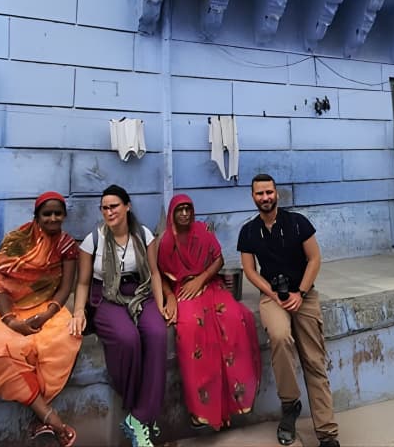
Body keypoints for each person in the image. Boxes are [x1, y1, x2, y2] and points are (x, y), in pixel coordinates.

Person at [0, 191, 80, 447]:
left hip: (46, 307)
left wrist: (47, 314)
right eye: (47, 214)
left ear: (64, 215)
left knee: (63, 339)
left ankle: (41, 415)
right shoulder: (17, 240)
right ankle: (49, 417)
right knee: (0, 349)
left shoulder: (66, 246)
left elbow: (65, 287)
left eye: (58, 213)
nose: (53, 218)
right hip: (8, 309)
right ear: (37, 216)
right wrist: (11, 322)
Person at [237, 174, 340, 447]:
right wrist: (273, 294)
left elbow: (314, 259)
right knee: (280, 336)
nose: (265, 198)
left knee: (314, 360)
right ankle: (290, 405)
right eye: (260, 193)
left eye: (269, 192)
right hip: (273, 297)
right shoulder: (248, 231)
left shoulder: (297, 223)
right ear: (253, 197)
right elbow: (249, 270)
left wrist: (300, 293)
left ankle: (327, 432)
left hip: (303, 294)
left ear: (276, 194)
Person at [70, 185, 167, 447]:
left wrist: (160, 305)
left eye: (114, 206)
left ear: (127, 206)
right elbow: (82, 283)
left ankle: (139, 417)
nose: (109, 212)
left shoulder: (143, 234)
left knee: (157, 334)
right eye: (104, 208)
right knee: (127, 339)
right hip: (106, 296)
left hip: (139, 292)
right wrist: (78, 311)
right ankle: (142, 410)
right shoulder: (94, 239)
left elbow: (154, 273)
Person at [157, 194, 260, 430]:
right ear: (172, 213)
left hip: (211, 286)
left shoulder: (203, 232)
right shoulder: (165, 242)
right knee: (191, 328)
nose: (185, 213)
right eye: (180, 209)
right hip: (183, 290)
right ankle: (203, 410)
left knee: (235, 319)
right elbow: (159, 275)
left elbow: (219, 260)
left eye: (188, 209)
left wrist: (201, 279)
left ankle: (235, 402)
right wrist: (170, 296)